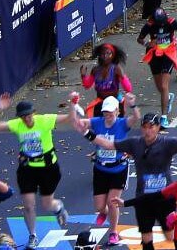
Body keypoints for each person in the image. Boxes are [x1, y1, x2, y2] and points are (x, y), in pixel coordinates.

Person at [81, 112, 177, 250]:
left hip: (165, 198)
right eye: (144, 127)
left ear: (158, 127)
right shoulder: (134, 143)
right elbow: (109, 144)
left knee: (171, 236)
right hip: (143, 199)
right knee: (146, 238)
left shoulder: (167, 143)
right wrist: (87, 133)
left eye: (151, 127)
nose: (147, 130)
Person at [0, 92, 69, 248]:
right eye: (23, 117)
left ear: (33, 113)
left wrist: (74, 105)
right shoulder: (17, 124)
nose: (26, 119)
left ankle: (58, 207)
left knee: (47, 205)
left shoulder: (45, 120)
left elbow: (69, 118)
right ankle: (32, 235)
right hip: (27, 169)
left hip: (48, 168)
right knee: (28, 205)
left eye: (28, 115)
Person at [66, 93, 136, 246]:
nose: (108, 115)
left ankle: (113, 232)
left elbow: (136, 118)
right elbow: (76, 123)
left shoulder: (123, 124)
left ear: (117, 111)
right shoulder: (97, 122)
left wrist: (133, 105)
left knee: (112, 203)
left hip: (118, 169)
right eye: (105, 112)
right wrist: (73, 105)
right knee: (99, 207)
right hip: (100, 169)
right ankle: (105, 213)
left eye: (110, 112)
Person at [136, 5, 177, 121]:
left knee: (164, 86)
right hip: (154, 55)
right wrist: (147, 44)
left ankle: (164, 116)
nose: (161, 25)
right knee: (160, 86)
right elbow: (139, 39)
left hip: (168, 54)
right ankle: (167, 97)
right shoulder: (149, 25)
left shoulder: (171, 22)